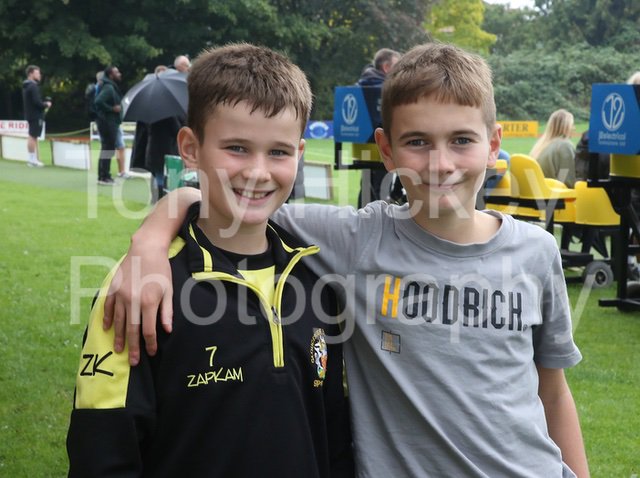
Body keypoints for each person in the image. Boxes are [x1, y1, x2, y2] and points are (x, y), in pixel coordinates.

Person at [103, 42, 590, 477]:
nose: (440, 163)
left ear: (494, 145)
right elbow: (228, 197)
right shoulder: (358, 239)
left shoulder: (536, 251)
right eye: (417, 142)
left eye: (461, 140)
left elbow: (553, 392)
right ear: (386, 150)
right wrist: (149, 242)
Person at [66, 43, 354, 477]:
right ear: (191, 147)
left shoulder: (315, 277)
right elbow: (103, 450)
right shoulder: (142, 285)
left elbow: (332, 437)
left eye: (278, 152)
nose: (257, 172)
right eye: (236, 147)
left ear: (299, 153)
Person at [355, 48, 402, 207]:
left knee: (366, 183)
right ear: (386, 67)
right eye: (397, 66)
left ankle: (362, 215)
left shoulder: (360, 84)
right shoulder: (386, 89)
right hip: (382, 145)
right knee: (380, 185)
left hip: (361, 145)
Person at [530, 108, 576, 188]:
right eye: (572, 125)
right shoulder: (565, 146)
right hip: (554, 193)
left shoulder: (540, 145)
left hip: (539, 192)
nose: (574, 128)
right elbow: (567, 181)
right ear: (566, 127)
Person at [94, 65, 124, 185]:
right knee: (108, 148)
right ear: (111, 75)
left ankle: (103, 175)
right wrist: (112, 109)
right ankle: (104, 177)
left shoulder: (108, 85)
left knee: (107, 148)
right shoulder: (109, 87)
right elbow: (98, 101)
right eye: (117, 72)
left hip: (107, 121)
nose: (119, 74)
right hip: (107, 121)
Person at [22, 65, 52, 168]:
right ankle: (32, 160)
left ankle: (32, 159)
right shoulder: (33, 86)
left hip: (30, 114)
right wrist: (46, 104)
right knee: (32, 136)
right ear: (31, 74)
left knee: (33, 136)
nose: (39, 75)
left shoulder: (27, 85)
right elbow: (37, 102)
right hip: (35, 115)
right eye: (37, 73)